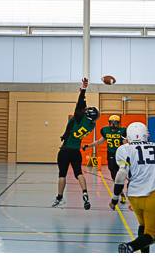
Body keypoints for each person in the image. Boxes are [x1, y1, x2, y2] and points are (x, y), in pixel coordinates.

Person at [112, 122, 155, 253]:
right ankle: (130, 247)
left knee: (142, 226)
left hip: (134, 196)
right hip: (153, 195)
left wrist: (115, 198)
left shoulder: (124, 149)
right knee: (151, 235)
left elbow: (121, 175)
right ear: (145, 134)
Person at [53, 77, 100, 210]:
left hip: (65, 150)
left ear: (86, 114)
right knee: (79, 173)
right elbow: (82, 106)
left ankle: (59, 197)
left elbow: (80, 104)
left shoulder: (79, 118)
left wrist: (83, 90)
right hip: (76, 152)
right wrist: (82, 93)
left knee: (62, 174)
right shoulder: (91, 125)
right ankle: (85, 193)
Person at [84, 115, 127, 202]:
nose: (113, 125)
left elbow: (126, 144)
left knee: (123, 175)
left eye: (115, 123)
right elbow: (99, 141)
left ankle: (124, 193)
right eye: (112, 122)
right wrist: (88, 145)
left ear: (118, 123)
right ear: (109, 123)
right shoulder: (106, 131)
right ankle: (121, 193)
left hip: (121, 155)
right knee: (115, 177)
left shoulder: (122, 131)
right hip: (111, 155)